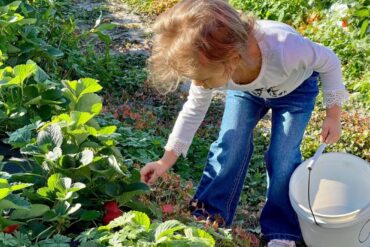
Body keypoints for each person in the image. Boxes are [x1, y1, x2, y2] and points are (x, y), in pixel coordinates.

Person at [140, 0, 348, 246]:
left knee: (282, 156)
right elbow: (193, 110)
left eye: (204, 78)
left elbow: (329, 60)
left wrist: (333, 115)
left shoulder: (285, 48)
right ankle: (210, 216)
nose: (201, 85)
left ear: (231, 58)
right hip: (246, 91)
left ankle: (282, 231)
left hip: (295, 90)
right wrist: (165, 161)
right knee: (230, 144)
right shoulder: (214, 66)